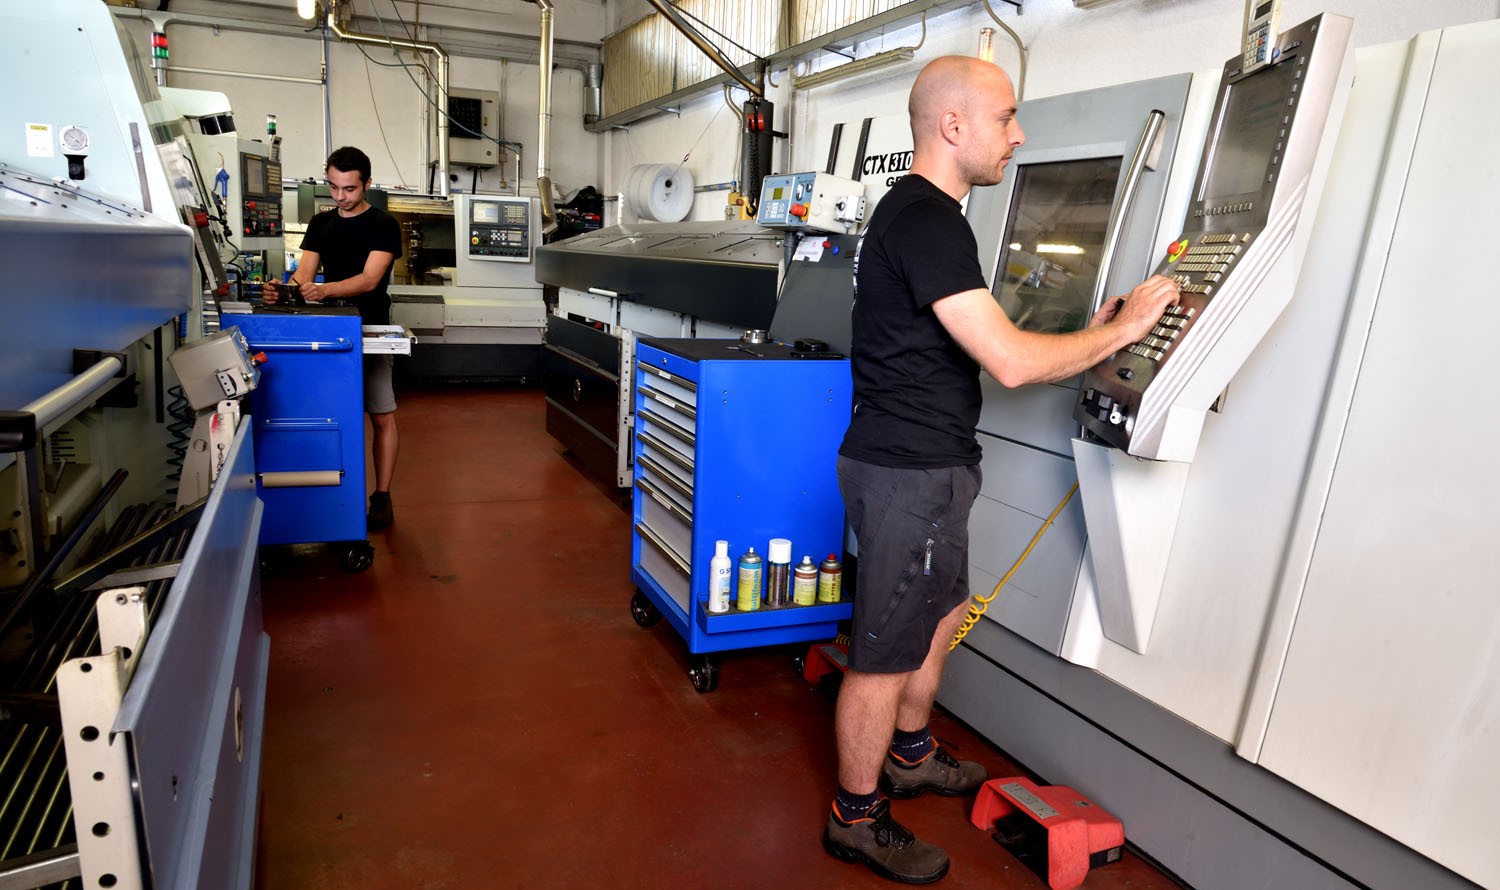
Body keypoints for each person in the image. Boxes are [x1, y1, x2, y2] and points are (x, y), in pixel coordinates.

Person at [822, 57, 1181, 884]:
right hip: (907, 473)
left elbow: (987, 335)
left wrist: (1089, 331)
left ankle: (909, 756)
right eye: (1006, 118)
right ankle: (856, 815)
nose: (1018, 136)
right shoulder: (927, 220)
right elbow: (1013, 362)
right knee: (882, 652)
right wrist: (1120, 336)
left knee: (938, 615)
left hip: (930, 466)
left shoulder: (928, 218)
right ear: (953, 127)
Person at [264, 146, 403, 530]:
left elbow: (369, 279)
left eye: (350, 189)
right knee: (332, 416)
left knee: (381, 413)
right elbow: (303, 275)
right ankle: (329, 494)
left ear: (367, 185)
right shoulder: (320, 224)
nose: (340, 196)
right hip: (328, 332)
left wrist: (325, 290)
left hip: (369, 327)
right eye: (334, 187)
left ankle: (383, 496)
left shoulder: (383, 225)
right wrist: (283, 289)